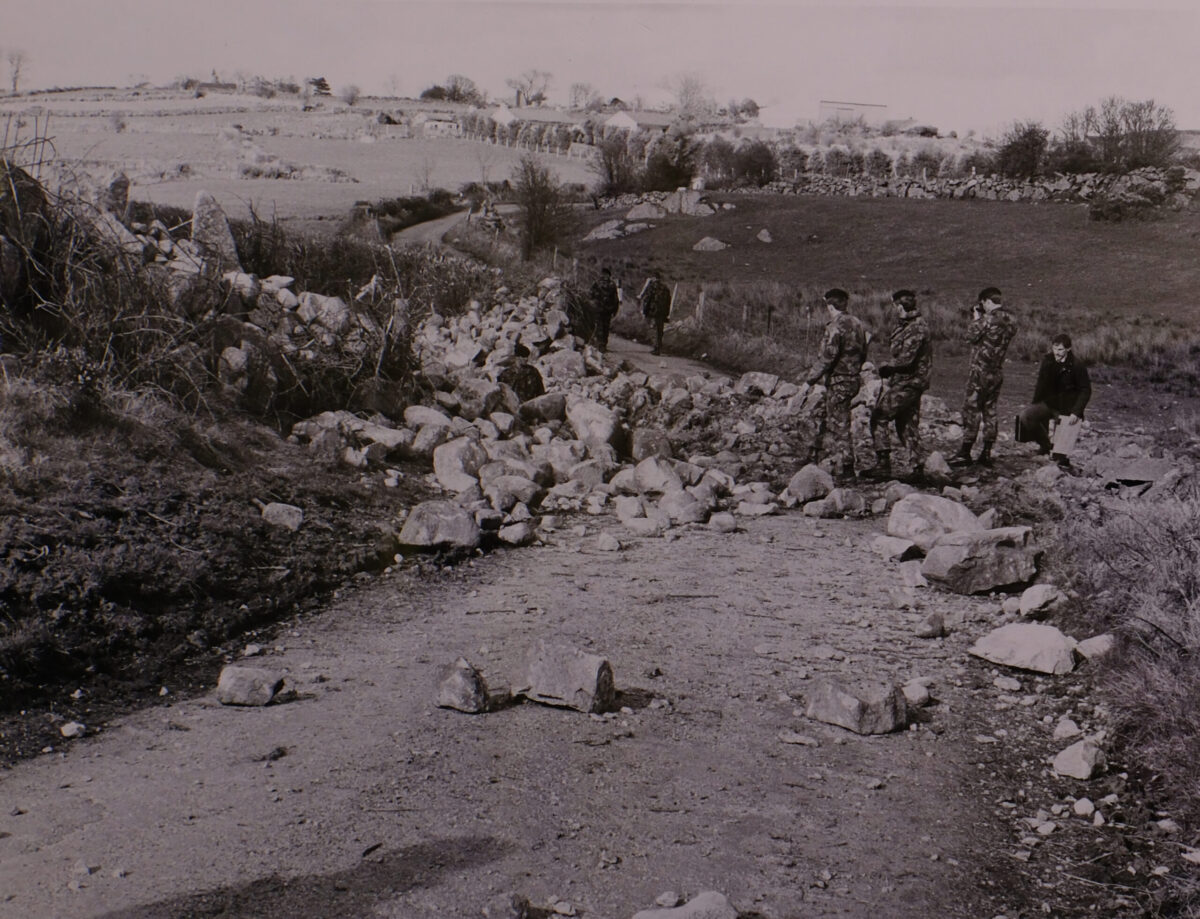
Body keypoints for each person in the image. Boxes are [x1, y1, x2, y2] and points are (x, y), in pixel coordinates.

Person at [803, 288, 869, 478]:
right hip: (852, 378)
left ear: (830, 305)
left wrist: (809, 381)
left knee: (840, 424)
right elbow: (864, 350)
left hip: (839, 380)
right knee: (821, 413)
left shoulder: (836, 326)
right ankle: (812, 453)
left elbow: (827, 357)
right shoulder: (857, 323)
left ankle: (847, 468)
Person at [870, 289, 933, 479]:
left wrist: (889, 368)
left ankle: (883, 463)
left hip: (908, 382)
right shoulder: (907, 325)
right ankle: (917, 468)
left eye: (896, 306)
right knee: (906, 424)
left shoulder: (916, 328)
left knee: (879, 416)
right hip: (909, 382)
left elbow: (906, 359)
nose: (895, 309)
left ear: (900, 306)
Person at [952, 286, 1017, 467]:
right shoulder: (1011, 321)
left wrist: (976, 318)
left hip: (980, 372)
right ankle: (987, 452)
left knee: (971, 410)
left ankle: (965, 452)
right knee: (990, 411)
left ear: (987, 301)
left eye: (983, 304)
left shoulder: (986, 320)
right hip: (996, 371)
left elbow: (970, 336)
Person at [1017, 333, 1091, 467]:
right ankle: (1045, 445)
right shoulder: (1048, 360)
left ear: (1068, 349)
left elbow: (1085, 391)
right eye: (1055, 349)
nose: (1057, 352)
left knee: (1059, 459)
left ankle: (1059, 454)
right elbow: (1041, 384)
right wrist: (1035, 403)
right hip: (1050, 403)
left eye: (1060, 349)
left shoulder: (1077, 365)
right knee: (1026, 416)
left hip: (1068, 409)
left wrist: (1076, 412)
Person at [639, 270, 672, 355]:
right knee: (659, 330)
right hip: (662, 312)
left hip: (653, 311)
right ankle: (658, 348)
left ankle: (655, 348)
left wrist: (645, 311)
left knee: (654, 329)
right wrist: (667, 313)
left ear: (653, 278)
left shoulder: (652, 287)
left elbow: (647, 300)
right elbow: (668, 301)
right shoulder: (665, 288)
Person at [588, 267, 620, 352]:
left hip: (598, 308)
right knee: (606, 327)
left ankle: (600, 345)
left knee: (599, 327)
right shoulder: (612, 284)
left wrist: (593, 305)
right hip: (608, 310)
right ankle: (604, 345)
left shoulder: (597, 282)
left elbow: (590, 295)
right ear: (609, 275)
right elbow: (616, 299)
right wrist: (615, 310)